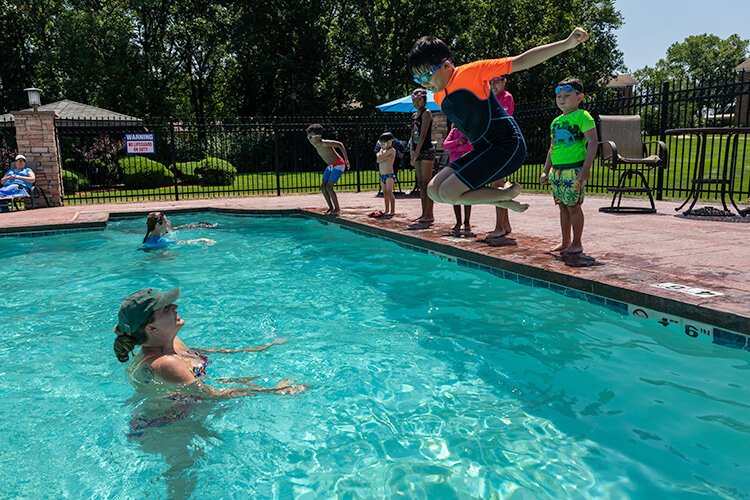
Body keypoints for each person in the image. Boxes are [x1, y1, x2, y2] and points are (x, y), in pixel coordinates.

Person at [407, 28, 589, 213]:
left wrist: (567, 43)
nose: (423, 83)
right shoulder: (439, 97)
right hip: (482, 150)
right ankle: (501, 197)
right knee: (433, 190)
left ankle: (502, 196)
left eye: (426, 75)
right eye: (417, 78)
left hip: (506, 146)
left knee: (448, 192)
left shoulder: (471, 73)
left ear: (446, 65)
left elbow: (522, 61)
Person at [113, 287, 307, 399]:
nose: (175, 306)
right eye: (165, 308)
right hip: (170, 426)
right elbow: (212, 396)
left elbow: (207, 354)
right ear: (152, 328)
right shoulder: (166, 364)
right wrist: (275, 391)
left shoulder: (174, 344)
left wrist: (259, 348)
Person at [539, 78, 598, 255]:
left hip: (574, 169)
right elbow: (552, 147)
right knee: (563, 206)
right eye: (559, 96)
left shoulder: (583, 116)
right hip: (557, 171)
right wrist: (545, 170)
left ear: (580, 98)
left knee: (573, 206)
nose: (561, 99)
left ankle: (577, 243)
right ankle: (565, 242)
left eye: (567, 95)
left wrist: (586, 168)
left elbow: (593, 142)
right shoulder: (556, 121)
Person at [487, 75, 516, 240]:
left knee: (496, 187)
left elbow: (501, 121)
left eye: (497, 81)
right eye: (491, 82)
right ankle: (505, 224)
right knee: (498, 186)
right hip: (494, 145)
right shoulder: (489, 98)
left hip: (502, 145)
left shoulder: (506, 97)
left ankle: (499, 227)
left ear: (504, 82)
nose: (493, 85)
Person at [306, 123, 351, 216]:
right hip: (331, 166)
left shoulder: (324, 143)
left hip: (339, 164)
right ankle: (331, 207)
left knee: (329, 187)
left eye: (310, 137)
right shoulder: (316, 144)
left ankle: (337, 209)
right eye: (308, 137)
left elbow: (340, 144)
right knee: (323, 187)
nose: (309, 140)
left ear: (318, 137)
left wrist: (346, 159)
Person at [409, 88, 436, 228]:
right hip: (417, 152)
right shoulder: (414, 115)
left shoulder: (426, 113)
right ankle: (424, 212)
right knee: (420, 184)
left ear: (424, 100)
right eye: (414, 100)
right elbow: (412, 136)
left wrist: (417, 152)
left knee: (426, 183)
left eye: (419, 99)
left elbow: (423, 135)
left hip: (425, 151)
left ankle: (429, 214)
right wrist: (412, 152)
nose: (416, 102)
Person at [441, 125, 474, 236]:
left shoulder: (469, 130)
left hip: (466, 163)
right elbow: (445, 145)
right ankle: (458, 222)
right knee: (454, 195)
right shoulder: (454, 131)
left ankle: (467, 222)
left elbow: (470, 146)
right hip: (454, 165)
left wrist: (454, 148)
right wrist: (457, 142)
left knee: (467, 194)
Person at [142, 211, 215, 250]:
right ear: (158, 225)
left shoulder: (148, 239)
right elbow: (182, 243)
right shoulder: (162, 241)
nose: (168, 223)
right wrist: (201, 239)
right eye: (166, 221)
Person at [373, 132, 397, 218]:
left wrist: (381, 157)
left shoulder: (392, 150)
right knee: (385, 193)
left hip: (389, 175)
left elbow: (380, 157)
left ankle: (392, 210)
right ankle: (386, 209)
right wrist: (382, 157)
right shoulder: (381, 150)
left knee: (389, 192)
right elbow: (378, 159)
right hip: (382, 175)